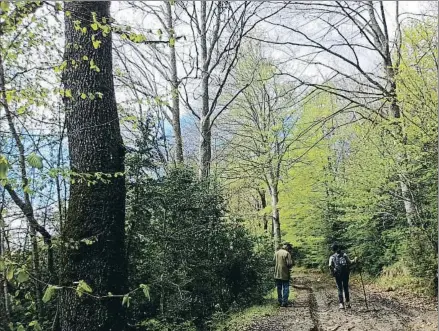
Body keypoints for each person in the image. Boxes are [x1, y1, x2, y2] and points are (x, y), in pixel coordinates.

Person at [329, 243, 356, 309]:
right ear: (338, 248)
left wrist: (333, 272)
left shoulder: (332, 257)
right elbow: (350, 262)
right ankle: (348, 303)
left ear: (333, 250)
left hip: (337, 274)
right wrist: (355, 259)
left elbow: (330, 265)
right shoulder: (344, 255)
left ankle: (341, 304)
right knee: (346, 287)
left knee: (339, 288)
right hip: (345, 273)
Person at [274, 242, 293, 307]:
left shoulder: (277, 252)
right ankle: (284, 302)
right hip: (285, 273)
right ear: (287, 247)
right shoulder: (287, 253)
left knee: (279, 288)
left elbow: (274, 261)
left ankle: (280, 301)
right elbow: (289, 264)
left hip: (277, 273)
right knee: (286, 287)